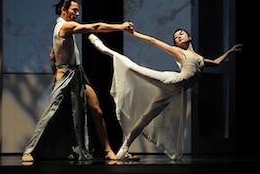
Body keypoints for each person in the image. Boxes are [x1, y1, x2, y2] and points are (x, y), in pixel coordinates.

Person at [89, 29, 243, 160]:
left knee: (146, 117)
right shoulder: (178, 51)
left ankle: (123, 149)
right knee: (133, 69)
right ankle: (105, 49)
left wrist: (230, 51)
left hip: (175, 91)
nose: (178, 37)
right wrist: (133, 33)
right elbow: (153, 41)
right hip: (172, 80)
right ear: (176, 44)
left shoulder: (200, 58)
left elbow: (216, 63)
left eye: (181, 34)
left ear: (190, 37)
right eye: (176, 37)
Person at [22, 0, 134, 162]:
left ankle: (108, 149)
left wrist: (57, 71)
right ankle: (28, 151)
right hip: (66, 75)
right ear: (64, 10)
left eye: (77, 10)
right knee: (50, 114)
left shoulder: (61, 27)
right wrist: (121, 27)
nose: (77, 13)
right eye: (74, 9)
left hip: (78, 74)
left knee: (97, 111)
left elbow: (52, 55)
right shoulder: (65, 26)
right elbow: (94, 27)